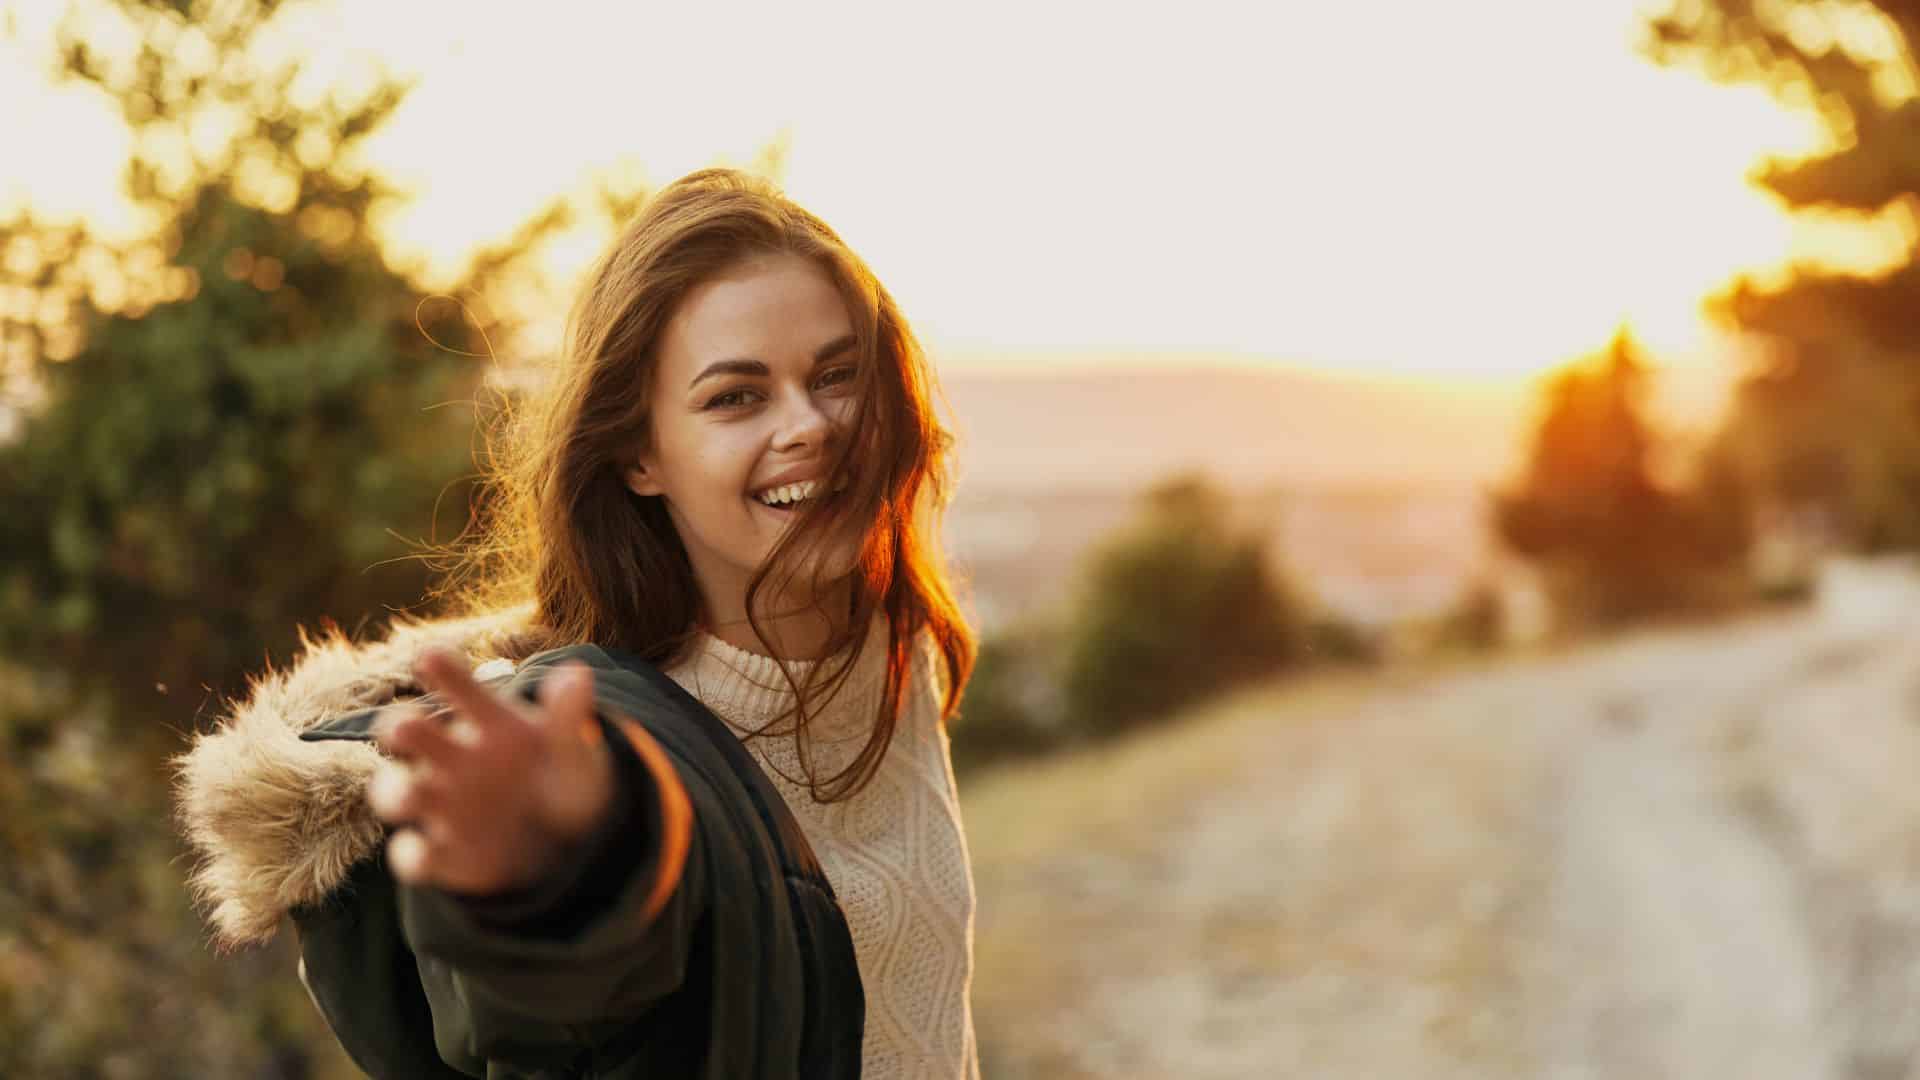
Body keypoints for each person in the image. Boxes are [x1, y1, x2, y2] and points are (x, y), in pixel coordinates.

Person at [173, 167, 981, 1079]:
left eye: (837, 375)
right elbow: (576, 983)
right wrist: (543, 872)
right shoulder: (595, 742)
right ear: (640, 455)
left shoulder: (891, 642)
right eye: (736, 397)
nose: (812, 426)